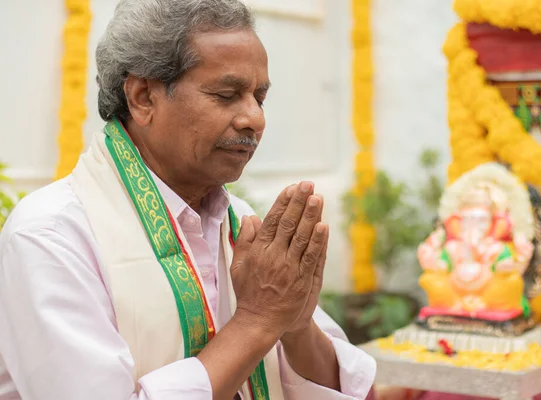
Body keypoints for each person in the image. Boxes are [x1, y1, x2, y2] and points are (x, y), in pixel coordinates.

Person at [0, 0, 376, 399]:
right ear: (143, 97)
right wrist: (258, 320)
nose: (255, 118)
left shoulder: (241, 223)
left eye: (259, 97)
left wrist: (296, 326)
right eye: (227, 94)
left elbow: (353, 390)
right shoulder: (51, 236)